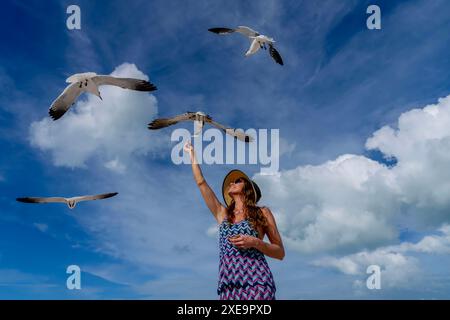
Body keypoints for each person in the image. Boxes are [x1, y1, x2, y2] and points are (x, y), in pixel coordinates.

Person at [184, 141, 285, 300]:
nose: (232, 183)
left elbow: (280, 252)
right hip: (228, 285)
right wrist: (192, 154)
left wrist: (255, 242)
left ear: (248, 189)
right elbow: (201, 183)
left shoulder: (262, 212)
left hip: (257, 282)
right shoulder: (223, 213)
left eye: (238, 181)